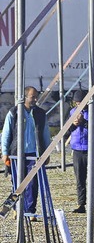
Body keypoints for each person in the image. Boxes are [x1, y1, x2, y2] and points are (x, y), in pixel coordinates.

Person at [1, 86, 51, 221]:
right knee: (17, 184)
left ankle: (29, 211)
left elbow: (45, 134)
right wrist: (5, 152)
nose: (35, 99)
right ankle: (13, 209)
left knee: (33, 184)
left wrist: (46, 152)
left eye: (36, 96)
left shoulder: (40, 114)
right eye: (32, 97)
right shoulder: (14, 112)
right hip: (17, 154)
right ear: (24, 97)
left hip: (34, 154)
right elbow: (6, 134)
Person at [64, 90, 94, 213]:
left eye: (80, 102)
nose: (78, 105)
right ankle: (81, 204)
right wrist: (73, 124)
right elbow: (66, 132)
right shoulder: (72, 112)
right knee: (80, 178)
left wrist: (84, 122)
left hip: (92, 149)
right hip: (77, 149)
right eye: (76, 103)